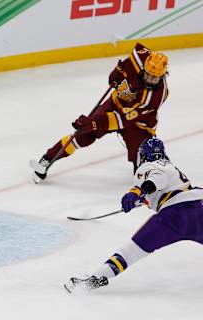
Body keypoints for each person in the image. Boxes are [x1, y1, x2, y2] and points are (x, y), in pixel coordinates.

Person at [64, 137, 203, 293]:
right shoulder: (171, 167)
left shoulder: (148, 166)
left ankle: (94, 279)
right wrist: (142, 199)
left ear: (143, 155)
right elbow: (165, 187)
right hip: (199, 207)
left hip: (174, 216)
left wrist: (136, 192)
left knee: (133, 251)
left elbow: (155, 179)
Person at [30, 43, 169, 183]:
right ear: (144, 68)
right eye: (148, 75)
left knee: (142, 156)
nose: (150, 80)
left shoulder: (154, 97)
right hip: (115, 104)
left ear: (163, 76)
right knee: (83, 135)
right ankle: (47, 159)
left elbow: (121, 119)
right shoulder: (141, 57)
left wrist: (93, 122)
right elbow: (132, 56)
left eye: (155, 78)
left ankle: (154, 163)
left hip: (138, 123)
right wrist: (119, 71)